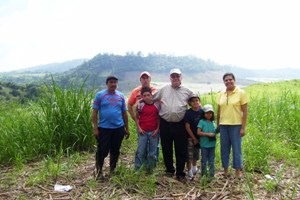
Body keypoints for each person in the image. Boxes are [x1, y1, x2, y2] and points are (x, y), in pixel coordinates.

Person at [153, 68, 194, 182]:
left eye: (177, 76)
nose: (175, 78)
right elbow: (152, 99)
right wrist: (140, 103)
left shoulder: (187, 91)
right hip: (165, 123)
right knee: (166, 148)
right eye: (173, 76)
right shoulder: (163, 89)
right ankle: (170, 170)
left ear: (181, 77)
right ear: (170, 78)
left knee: (181, 149)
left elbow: (196, 102)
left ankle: (180, 173)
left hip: (180, 124)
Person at [92, 75, 130, 180]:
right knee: (102, 150)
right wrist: (95, 128)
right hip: (104, 128)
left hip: (118, 128)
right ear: (107, 83)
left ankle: (112, 170)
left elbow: (124, 113)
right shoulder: (100, 95)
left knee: (115, 150)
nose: (113, 84)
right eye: (111, 82)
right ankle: (99, 171)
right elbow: (94, 112)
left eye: (115, 82)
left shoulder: (121, 96)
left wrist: (127, 128)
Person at [216, 72, 249, 178]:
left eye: (230, 79)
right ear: (224, 82)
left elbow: (245, 112)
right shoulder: (221, 94)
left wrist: (243, 128)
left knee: (236, 148)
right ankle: (225, 170)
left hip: (236, 125)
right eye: (226, 80)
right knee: (224, 148)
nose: (228, 81)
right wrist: (218, 125)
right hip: (223, 126)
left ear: (234, 80)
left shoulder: (241, 93)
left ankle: (237, 171)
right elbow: (219, 111)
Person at [134, 86, 160, 173]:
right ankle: (137, 169)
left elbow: (158, 118)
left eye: (148, 95)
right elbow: (137, 117)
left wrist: (157, 129)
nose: (146, 97)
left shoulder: (157, 105)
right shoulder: (140, 105)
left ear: (151, 95)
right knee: (141, 151)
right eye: (144, 96)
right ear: (142, 96)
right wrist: (139, 128)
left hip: (154, 131)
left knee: (153, 152)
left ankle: (151, 169)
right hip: (143, 131)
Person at [184, 94, 204, 179]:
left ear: (199, 102)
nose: (195, 102)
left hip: (199, 137)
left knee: (196, 153)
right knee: (189, 155)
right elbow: (187, 127)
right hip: (190, 137)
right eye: (193, 101)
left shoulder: (202, 112)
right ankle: (189, 171)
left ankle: (194, 168)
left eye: (197, 100)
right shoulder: (188, 113)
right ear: (190, 103)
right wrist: (193, 138)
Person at [197, 104, 217, 179]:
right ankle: (203, 174)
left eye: (210, 113)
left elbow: (215, 132)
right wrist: (208, 134)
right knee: (204, 161)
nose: (209, 115)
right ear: (204, 114)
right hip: (204, 145)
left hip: (212, 145)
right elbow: (198, 132)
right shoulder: (202, 122)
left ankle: (211, 175)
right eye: (207, 113)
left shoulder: (213, 122)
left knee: (211, 161)